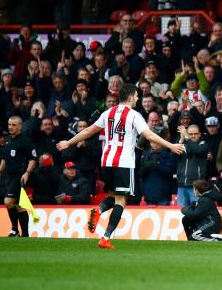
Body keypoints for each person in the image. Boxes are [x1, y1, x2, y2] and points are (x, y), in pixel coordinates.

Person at [56, 84, 185, 249]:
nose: (138, 99)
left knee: (112, 195)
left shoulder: (108, 113)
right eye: (137, 96)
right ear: (131, 97)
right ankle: (106, 237)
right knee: (121, 200)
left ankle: (98, 210)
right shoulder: (134, 115)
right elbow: (148, 135)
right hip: (123, 162)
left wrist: (68, 142)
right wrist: (171, 146)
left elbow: (88, 131)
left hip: (106, 161)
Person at [0, 116, 37, 237]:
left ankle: (14, 229)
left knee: (8, 201)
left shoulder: (25, 141)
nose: (10, 127)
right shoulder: (8, 141)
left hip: (20, 176)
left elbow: (32, 160)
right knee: (18, 206)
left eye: (13, 125)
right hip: (10, 177)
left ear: (20, 127)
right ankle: (25, 234)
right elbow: (4, 159)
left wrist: (27, 173)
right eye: (9, 124)